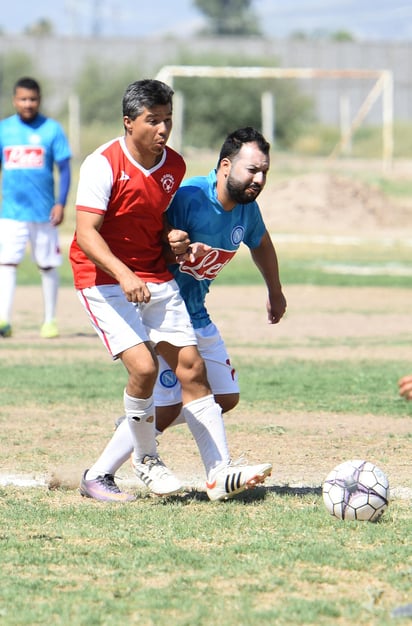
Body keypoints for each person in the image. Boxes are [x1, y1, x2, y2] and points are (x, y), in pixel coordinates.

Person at [69, 81, 273, 504]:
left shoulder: (173, 167)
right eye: (153, 120)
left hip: (152, 276)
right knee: (143, 370)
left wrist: (172, 240)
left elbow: (156, 225)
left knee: (192, 369)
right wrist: (125, 275)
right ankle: (133, 462)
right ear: (129, 123)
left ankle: (219, 474)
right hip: (102, 277)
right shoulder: (102, 165)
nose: (163, 129)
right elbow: (86, 235)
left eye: (168, 120)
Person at [0, 77, 71, 338]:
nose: (27, 104)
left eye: (32, 99)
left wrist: (61, 203)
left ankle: (49, 321)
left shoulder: (52, 130)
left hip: (44, 213)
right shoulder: (4, 129)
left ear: (39, 100)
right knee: (6, 263)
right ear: (14, 100)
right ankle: (3, 320)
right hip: (11, 213)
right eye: (22, 99)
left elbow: (64, 169)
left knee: (48, 265)